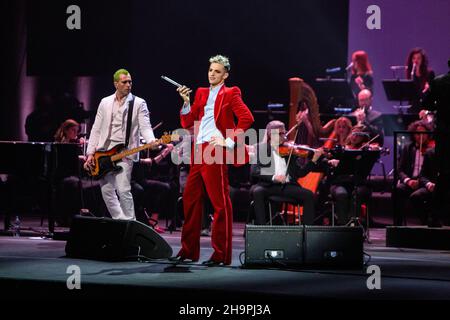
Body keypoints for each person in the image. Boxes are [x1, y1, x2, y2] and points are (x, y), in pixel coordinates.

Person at [173, 55, 254, 266]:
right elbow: (188, 121)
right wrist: (186, 102)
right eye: (210, 70)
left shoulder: (231, 93)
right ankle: (188, 251)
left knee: (220, 203)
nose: (212, 74)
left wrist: (227, 141)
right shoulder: (200, 93)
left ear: (225, 74)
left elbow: (247, 118)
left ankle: (221, 254)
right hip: (199, 150)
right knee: (190, 199)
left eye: (217, 71)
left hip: (215, 149)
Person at [84, 69, 156, 221]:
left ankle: (130, 223)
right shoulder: (105, 102)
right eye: (124, 82)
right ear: (116, 84)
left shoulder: (138, 103)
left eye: (130, 81)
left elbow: (145, 127)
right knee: (107, 190)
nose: (128, 85)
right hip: (103, 152)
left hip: (125, 152)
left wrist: (151, 141)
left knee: (123, 190)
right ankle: (121, 221)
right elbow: (96, 128)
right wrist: (90, 153)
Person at [250, 121, 324, 226]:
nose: (283, 136)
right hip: (268, 186)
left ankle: (307, 231)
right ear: (270, 134)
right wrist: (274, 177)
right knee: (258, 191)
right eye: (279, 134)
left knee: (309, 195)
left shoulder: (290, 150)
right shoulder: (261, 148)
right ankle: (261, 228)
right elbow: (255, 171)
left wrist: (313, 161)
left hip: (288, 186)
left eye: (284, 133)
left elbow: (300, 173)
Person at [421, 58, 450, 227]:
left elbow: (425, 103)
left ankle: (434, 216)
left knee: (444, 174)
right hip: (445, 134)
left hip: (444, 134)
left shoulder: (438, 81)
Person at [395, 120, 435, 225]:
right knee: (397, 190)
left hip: (425, 183)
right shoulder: (408, 148)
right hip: (411, 181)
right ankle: (397, 225)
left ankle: (426, 222)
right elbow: (400, 169)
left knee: (417, 197)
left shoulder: (432, 150)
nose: (420, 136)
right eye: (417, 133)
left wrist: (424, 181)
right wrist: (408, 181)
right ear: (413, 134)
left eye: (423, 133)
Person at [406, 48, 435, 113]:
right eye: (414, 58)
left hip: (424, 107)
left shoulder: (429, 73)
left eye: (418, 58)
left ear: (422, 60)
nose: (416, 60)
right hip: (413, 106)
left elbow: (432, 92)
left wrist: (427, 88)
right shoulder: (411, 73)